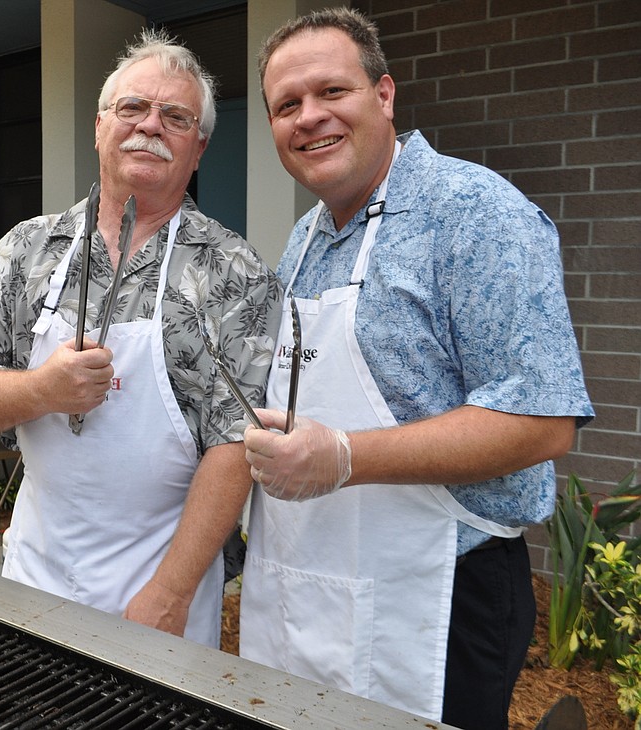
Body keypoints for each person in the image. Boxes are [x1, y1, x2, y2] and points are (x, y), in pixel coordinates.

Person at [241, 8, 594, 727]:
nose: (309, 118)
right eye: (287, 105)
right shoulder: (305, 236)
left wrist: (343, 456)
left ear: (384, 95)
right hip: (312, 578)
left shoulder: (475, 213)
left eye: (331, 92)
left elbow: (543, 421)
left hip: (442, 594)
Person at [0, 29, 279, 648]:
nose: (150, 126)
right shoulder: (28, 248)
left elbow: (238, 443)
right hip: (35, 569)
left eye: (175, 117)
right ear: (100, 127)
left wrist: (171, 593)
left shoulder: (235, 271)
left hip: (157, 586)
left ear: (198, 148)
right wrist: (41, 390)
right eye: (132, 108)